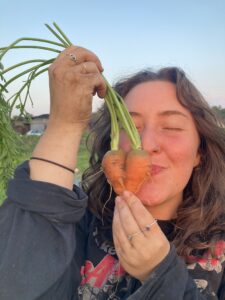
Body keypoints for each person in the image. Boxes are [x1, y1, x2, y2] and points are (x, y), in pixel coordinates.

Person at [0, 46, 224, 300]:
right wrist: (65, 124)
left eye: (171, 127)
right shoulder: (76, 226)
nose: (147, 143)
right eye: (131, 126)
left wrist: (161, 274)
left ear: (199, 153)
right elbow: (14, 285)